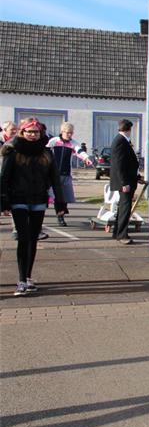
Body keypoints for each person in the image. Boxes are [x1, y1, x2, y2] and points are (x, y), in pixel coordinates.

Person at [0, 118, 66, 296]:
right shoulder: (13, 151)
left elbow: (55, 179)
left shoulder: (46, 152)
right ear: (22, 132)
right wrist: (4, 201)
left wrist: (60, 202)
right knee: (23, 238)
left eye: (35, 132)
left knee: (33, 239)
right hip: (18, 199)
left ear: (40, 133)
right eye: (29, 131)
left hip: (38, 199)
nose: (32, 135)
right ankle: (21, 280)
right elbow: (4, 178)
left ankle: (28, 277)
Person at [47, 122, 93, 226]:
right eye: (67, 133)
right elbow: (45, 150)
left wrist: (86, 158)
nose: (69, 135)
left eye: (71, 133)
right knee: (56, 196)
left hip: (66, 173)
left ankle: (62, 212)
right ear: (62, 132)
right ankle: (60, 216)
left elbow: (79, 151)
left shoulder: (73, 143)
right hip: (54, 174)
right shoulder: (54, 141)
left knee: (66, 196)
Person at [109, 119, 142, 245]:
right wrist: (124, 183)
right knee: (125, 209)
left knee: (122, 208)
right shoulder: (120, 141)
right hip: (125, 182)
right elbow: (119, 165)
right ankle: (122, 235)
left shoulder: (122, 141)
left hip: (128, 179)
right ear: (129, 130)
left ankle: (117, 232)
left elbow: (128, 163)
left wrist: (137, 177)